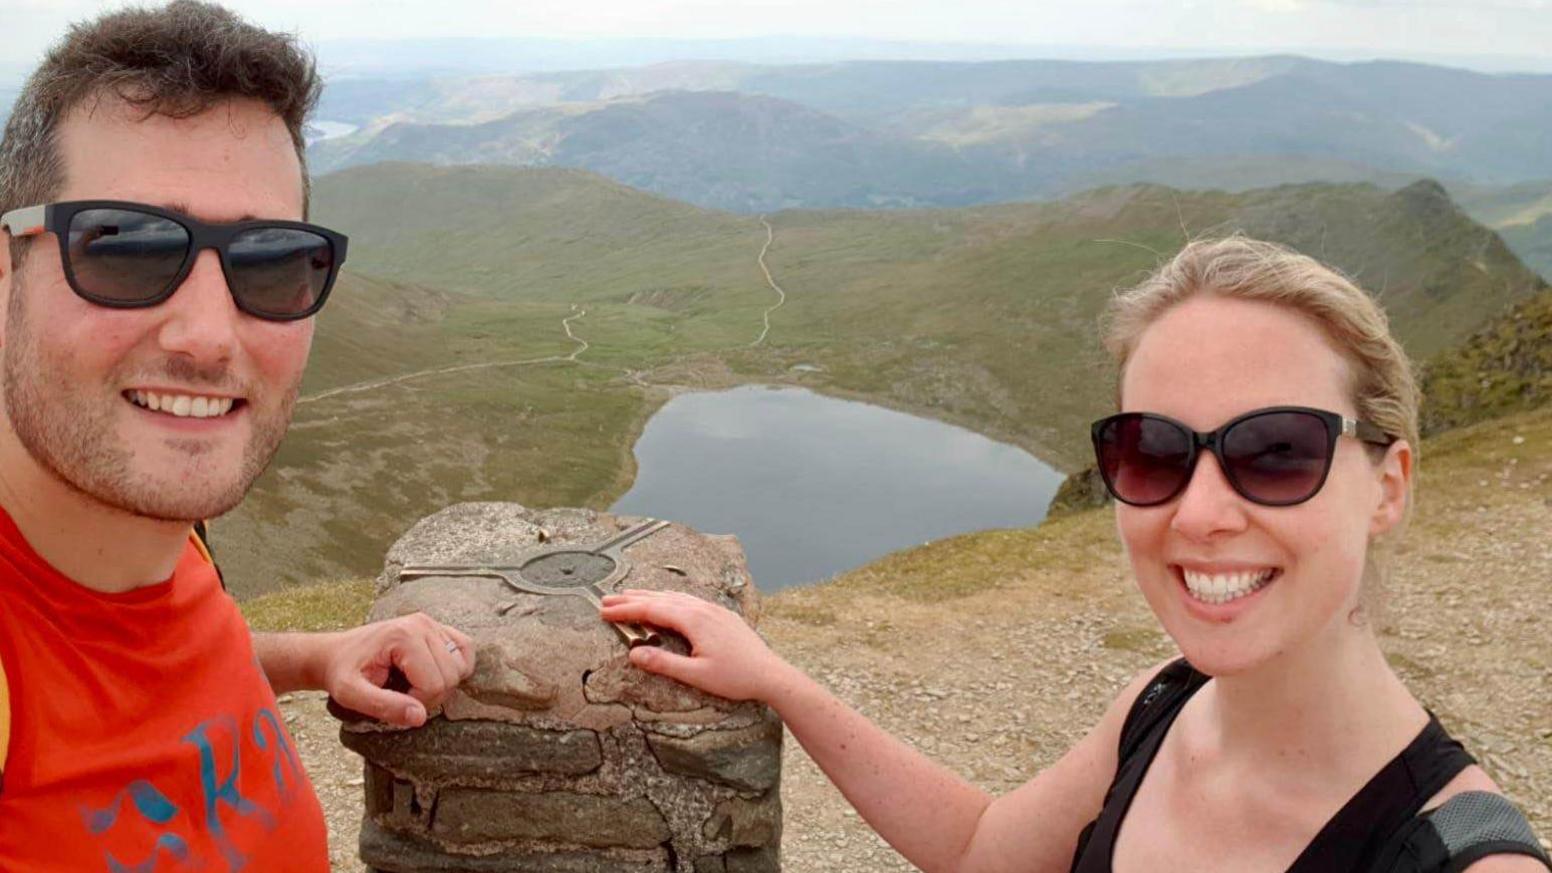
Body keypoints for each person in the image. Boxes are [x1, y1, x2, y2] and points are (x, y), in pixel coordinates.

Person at [601, 237, 1552, 872]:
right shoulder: (1162, 706)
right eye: (1155, 451)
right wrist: (779, 681)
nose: (1204, 513)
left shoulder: (1461, 863)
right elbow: (981, 849)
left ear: (1388, 485)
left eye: (1278, 452)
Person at [0, 3, 474, 868]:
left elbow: (143, 653)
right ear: (8, 266)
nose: (209, 336)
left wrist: (317, 655)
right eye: (127, 247)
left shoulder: (163, 534)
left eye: (270, 259)